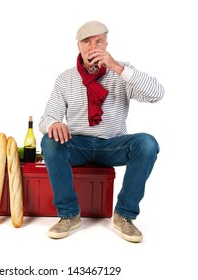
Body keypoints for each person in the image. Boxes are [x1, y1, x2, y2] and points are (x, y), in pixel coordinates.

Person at [38, 21, 164, 243]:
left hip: (112, 145)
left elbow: (157, 93)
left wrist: (117, 68)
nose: (92, 46)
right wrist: (53, 125)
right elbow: (47, 118)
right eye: (87, 42)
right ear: (79, 46)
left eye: (98, 41)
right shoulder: (66, 78)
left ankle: (124, 215)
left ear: (106, 44)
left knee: (147, 143)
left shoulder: (121, 71)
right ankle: (69, 215)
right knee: (49, 140)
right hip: (78, 144)